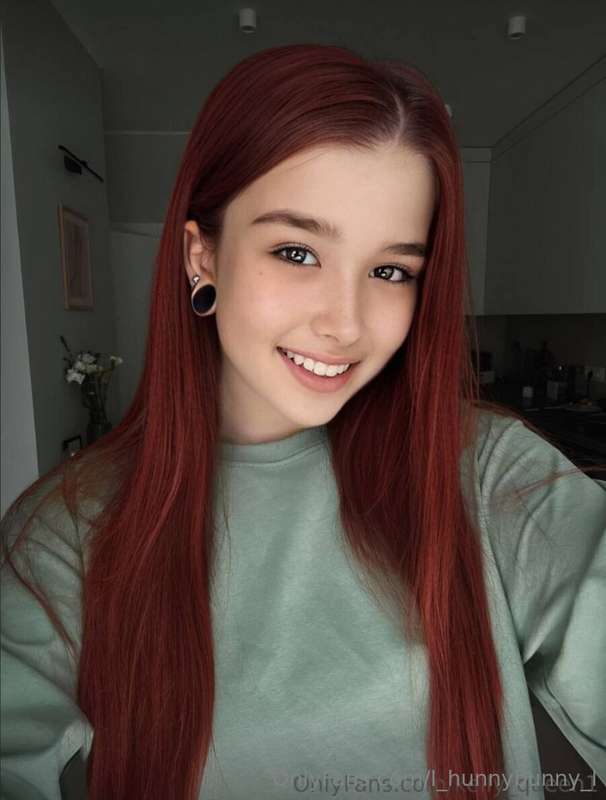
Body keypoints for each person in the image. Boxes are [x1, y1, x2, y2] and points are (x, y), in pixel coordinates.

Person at [1, 43, 605, 800]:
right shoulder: (67, 534)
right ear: (202, 256)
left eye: (391, 271)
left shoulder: (485, 471)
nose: (345, 324)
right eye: (296, 251)